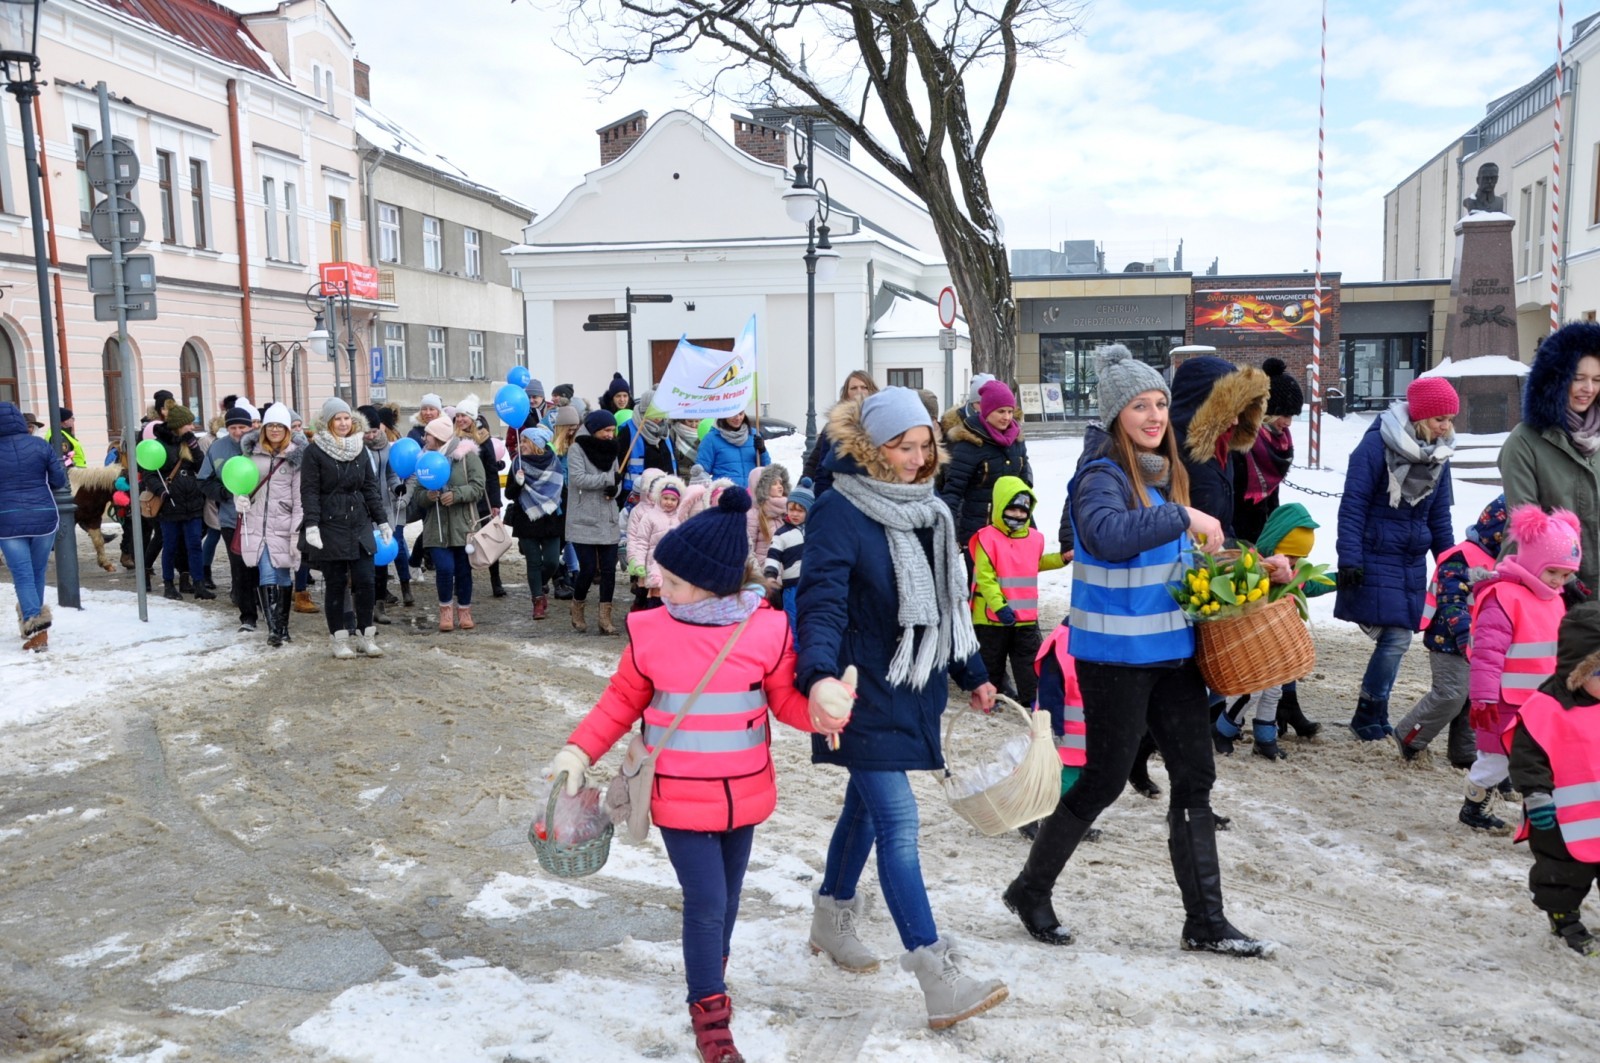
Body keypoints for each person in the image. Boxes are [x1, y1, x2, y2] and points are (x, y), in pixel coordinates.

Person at [543, 487, 846, 1062]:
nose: (662, 588)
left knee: (727, 899)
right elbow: (618, 703)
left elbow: (785, 703)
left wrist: (821, 709)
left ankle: (712, 966)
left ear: (716, 582)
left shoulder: (767, 630)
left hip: (745, 792)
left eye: (676, 582)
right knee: (706, 900)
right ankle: (710, 1012)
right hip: (678, 796)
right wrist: (579, 753)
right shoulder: (651, 631)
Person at [1001, 345, 1273, 958]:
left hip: (1172, 653)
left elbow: (1184, 556)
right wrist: (1181, 515)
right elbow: (1104, 535)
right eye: (1139, 406)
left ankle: (1205, 921)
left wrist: (1257, 567)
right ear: (1114, 413)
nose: (1154, 416)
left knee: (1195, 778)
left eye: (1160, 404)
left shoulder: (1161, 470)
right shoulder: (1101, 473)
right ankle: (1029, 888)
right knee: (1100, 781)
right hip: (1114, 657)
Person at [797, 387, 1010, 1031]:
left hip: (912, 687)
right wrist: (818, 678)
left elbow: (946, 607)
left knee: (865, 808)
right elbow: (822, 601)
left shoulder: (932, 512)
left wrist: (972, 672)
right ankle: (935, 971)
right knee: (898, 819)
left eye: (925, 448)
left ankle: (832, 916)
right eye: (903, 448)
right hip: (858, 689)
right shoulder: (839, 510)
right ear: (871, 447)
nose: (917, 461)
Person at [1335, 377, 1458, 740]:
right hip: (1374, 553)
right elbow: (1353, 505)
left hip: (1409, 560)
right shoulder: (1376, 446)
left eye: (1450, 419)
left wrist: (1449, 562)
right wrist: (1350, 558)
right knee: (1397, 638)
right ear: (1421, 417)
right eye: (1439, 419)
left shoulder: (1439, 455)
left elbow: (1439, 517)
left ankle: (1375, 713)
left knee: (1398, 637)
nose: (1446, 426)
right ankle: (1368, 712)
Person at [1460, 506, 1582, 832]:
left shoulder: (1554, 599)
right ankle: (1474, 804)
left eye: (1566, 574)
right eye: (1552, 572)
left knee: (1544, 760)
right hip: (1505, 701)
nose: (1559, 581)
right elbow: (1488, 653)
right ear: (1532, 560)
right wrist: (1482, 698)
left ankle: (1540, 818)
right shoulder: (1502, 596)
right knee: (1497, 761)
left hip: (1543, 701)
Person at [1507, 600, 1600, 956]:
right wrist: (1536, 795)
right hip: (1559, 815)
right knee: (1563, 873)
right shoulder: (1545, 708)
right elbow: (1528, 757)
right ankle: (1564, 919)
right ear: (1578, 670)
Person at [1393, 496, 1508, 767]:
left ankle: (1464, 751)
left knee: (1474, 696)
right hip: (1450, 641)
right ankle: (1408, 736)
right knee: (1451, 694)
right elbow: (1450, 600)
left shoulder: (1501, 563)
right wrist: (1464, 635)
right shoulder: (1460, 557)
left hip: (1483, 644)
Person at [1212, 503, 1331, 761]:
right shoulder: (1253, 564)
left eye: (1298, 559)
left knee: (1274, 690)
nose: (1291, 563)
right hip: (1254, 639)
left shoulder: (1290, 573)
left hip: (1277, 640)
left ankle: (1265, 739)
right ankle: (1223, 729)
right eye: (1288, 555)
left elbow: (1308, 584)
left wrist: (1338, 580)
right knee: (1252, 690)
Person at [1500, 321, 1600, 594]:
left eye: (1597, 379)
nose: (1588, 388)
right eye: (1578, 378)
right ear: (1556, 378)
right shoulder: (1525, 441)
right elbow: (1525, 527)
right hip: (1550, 590)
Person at [301, 398, 390, 659]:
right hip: (330, 524)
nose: (342, 423)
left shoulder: (359, 448)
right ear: (328, 422)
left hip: (359, 522)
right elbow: (309, 491)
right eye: (337, 419)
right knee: (336, 583)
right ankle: (339, 639)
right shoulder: (314, 451)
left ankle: (365, 636)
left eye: (346, 418)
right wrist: (312, 525)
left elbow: (370, 488)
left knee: (365, 580)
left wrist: (382, 519)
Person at [969, 476, 1067, 707]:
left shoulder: (1034, 538)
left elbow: (1035, 563)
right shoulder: (987, 538)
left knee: (1028, 662)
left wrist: (1061, 559)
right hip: (992, 618)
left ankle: (1033, 702)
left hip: (1025, 618)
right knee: (992, 661)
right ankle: (989, 701)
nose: (1017, 515)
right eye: (1011, 509)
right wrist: (999, 606)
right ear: (1000, 506)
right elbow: (985, 577)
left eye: (1023, 511)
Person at [1170, 353, 1269, 542]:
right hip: (1184, 567)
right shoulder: (1171, 453)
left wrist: (1250, 556)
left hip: (1210, 563)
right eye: (1227, 412)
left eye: (1238, 410)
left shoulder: (1221, 448)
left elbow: (1222, 526)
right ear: (1202, 407)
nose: (1236, 420)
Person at [235, 404, 303, 648]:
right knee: (266, 572)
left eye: (280, 426)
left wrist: (296, 531)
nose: (275, 430)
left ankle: (283, 627)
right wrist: (239, 500)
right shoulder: (252, 454)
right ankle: (274, 629)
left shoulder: (296, 457)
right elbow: (240, 484)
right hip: (256, 524)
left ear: (287, 430)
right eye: (270, 425)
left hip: (284, 525)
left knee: (283, 574)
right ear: (263, 428)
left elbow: (300, 499)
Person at [0, 401, 65, 651]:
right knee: (37, 572)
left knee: (23, 576)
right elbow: (59, 480)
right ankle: (32, 623)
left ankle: (37, 630)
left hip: (7, 520)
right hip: (44, 518)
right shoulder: (40, 445)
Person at [411, 414, 485, 633]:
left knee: (463, 570)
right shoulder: (424, 459)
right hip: (436, 527)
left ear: (440, 437)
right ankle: (445, 611)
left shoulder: (467, 456)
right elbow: (417, 494)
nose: (424, 438)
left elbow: (479, 487)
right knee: (444, 569)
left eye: (429, 435)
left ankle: (464, 611)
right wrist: (428, 496)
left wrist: (457, 494)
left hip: (463, 525)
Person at [940, 379, 1032, 551]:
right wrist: (950, 533)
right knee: (980, 579)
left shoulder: (1017, 441)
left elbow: (1024, 489)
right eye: (1001, 411)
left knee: (1011, 579)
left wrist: (1030, 528)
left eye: (1010, 411)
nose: (1007, 417)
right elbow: (953, 493)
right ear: (987, 411)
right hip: (977, 533)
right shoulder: (969, 444)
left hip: (1012, 530)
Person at [142, 404, 215, 602]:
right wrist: (161, 491)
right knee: (170, 545)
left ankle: (198, 583)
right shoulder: (159, 445)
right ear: (177, 425)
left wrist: (195, 449)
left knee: (194, 545)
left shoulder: (190, 443)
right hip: (169, 504)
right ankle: (168, 585)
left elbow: (202, 467)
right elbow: (150, 474)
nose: (192, 427)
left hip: (192, 502)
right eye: (188, 424)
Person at [198, 404, 260, 632]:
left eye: (241, 427)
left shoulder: (260, 446)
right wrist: (225, 493)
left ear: (250, 426)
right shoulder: (217, 448)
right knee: (240, 568)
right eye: (233, 427)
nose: (237, 432)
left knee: (261, 565)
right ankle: (248, 615)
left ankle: (264, 604)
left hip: (260, 517)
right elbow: (204, 480)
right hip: (230, 519)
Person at [564, 410, 622, 635]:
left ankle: (604, 618)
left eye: (612, 430)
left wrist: (614, 489)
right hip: (583, 519)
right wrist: (607, 480)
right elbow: (578, 479)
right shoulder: (577, 449)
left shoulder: (613, 450)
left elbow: (614, 483)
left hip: (607, 518)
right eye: (606, 430)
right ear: (594, 428)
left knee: (609, 570)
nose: (610, 434)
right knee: (587, 569)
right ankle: (577, 607)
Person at [1232, 357, 1300, 546]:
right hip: (1238, 533)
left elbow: (1272, 492)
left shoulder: (1279, 442)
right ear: (1268, 411)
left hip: (1263, 531)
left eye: (1292, 416)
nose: (1288, 423)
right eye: (1285, 415)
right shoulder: (1241, 441)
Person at [505, 425, 565, 622]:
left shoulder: (553, 463)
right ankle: (537, 601)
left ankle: (540, 585)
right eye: (521, 441)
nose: (521, 445)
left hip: (550, 517)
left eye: (525, 441)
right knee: (533, 562)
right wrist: (517, 483)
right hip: (526, 517)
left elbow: (560, 489)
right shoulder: (517, 464)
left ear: (537, 444)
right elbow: (509, 494)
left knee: (552, 561)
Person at [358, 404, 405, 625]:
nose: (370, 436)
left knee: (382, 560)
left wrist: (397, 487)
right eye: (366, 432)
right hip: (361, 511)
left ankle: (379, 604)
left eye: (374, 431)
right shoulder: (355, 448)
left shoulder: (386, 447)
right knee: (362, 562)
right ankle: (361, 605)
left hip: (382, 510)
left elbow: (391, 473)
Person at [802, 370, 877, 497]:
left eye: (864, 387)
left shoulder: (882, 422)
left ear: (872, 390)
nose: (859, 391)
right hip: (840, 495)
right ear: (846, 394)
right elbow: (820, 464)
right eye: (853, 388)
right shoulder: (834, 426)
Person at [762, 476, 812, 637]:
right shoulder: (781, 534)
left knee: (812, 621)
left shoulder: (816, 531)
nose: (794, 514)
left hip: (814, 583)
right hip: (792, 586)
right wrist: (770, 576)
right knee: (793, 623)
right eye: (791, 509)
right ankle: (794, 653)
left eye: (800, 510)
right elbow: (773, 556)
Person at [626, 469, 683, 611]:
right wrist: (635, 560)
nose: (669, 502)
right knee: (650, 594)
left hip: (674, 565)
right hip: (652, 563)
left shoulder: (681, 517)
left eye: (673, 499)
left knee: (670, 597)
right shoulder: (647, 515)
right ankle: (642, 619)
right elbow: (639, 540)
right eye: (666, 498)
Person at [617, 392, 677, 504]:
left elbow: (673, 463)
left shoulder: (666, 431)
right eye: (654, 412)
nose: (658, 417)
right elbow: (619, 465)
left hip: (666, 496)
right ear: (644, 411)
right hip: (636, 496)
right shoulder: (628, 431)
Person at [695, 408, 769, 485]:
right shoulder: (711, 439)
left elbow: (766, 469)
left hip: (751, 493)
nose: (738, 418)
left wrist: (762, 451)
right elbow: (701, 472)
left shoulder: (754, 435)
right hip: (725, 493)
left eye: (741, 413)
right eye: (733, 414)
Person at [745, 463, 790, 568]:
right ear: (761, 487)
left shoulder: (786, 510)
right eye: (774, 483)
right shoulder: (753, 515)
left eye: (781, 483)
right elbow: (748, 550)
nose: (780, 487)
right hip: (764, 573)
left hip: (786, 571)